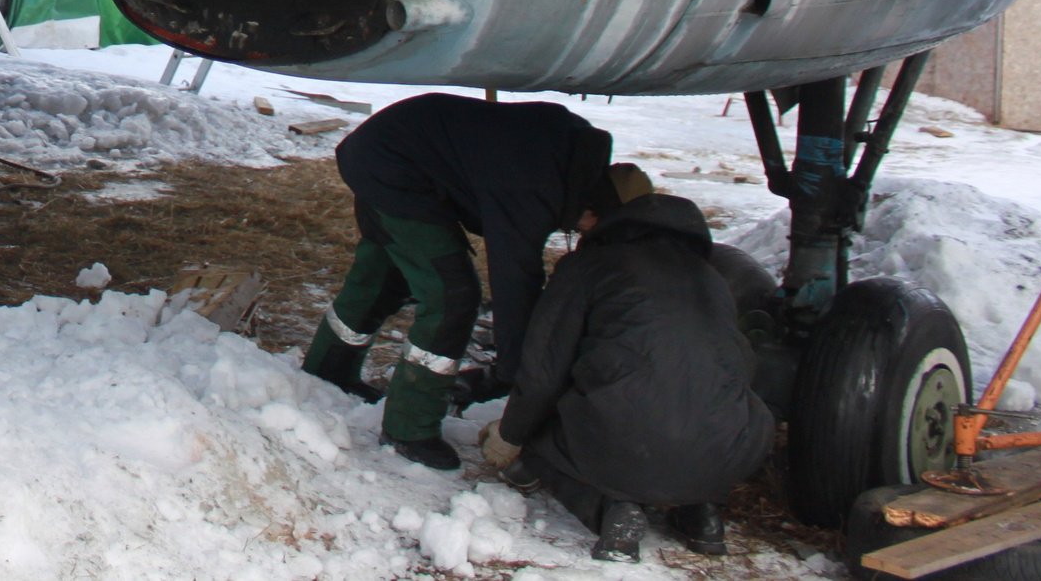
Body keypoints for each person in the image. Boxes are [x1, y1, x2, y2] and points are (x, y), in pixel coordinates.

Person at [300, 93, 633, 469]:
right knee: (453, 294)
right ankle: (409, 428)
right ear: (593, 208)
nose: (585, 235)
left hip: (392, 147)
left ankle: (328, 369)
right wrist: (514, 371)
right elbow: (515, 280)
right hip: (393, 164)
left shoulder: (572, 154)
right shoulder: (536, 185)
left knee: (384, 275)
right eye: (595, 230)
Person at [480, 191, 775, 562]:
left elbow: (543, 371)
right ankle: (703, 515)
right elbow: (739, 368)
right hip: (726, 456)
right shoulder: (713, 278)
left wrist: (511, 435)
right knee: (703, 408)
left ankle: (613, 511)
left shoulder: (589, 266)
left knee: (542, 434)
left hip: (624, 438)